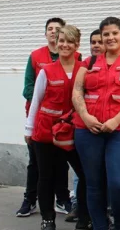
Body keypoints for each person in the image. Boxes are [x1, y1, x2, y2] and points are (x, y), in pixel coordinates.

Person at [72, 17, 120, 230]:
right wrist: (86, 117)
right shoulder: (88, 62)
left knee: (119, 183)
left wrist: (115, 120)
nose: (110, 38)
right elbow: (77, 91)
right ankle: (99, 226)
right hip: (88, 131)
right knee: (94, 184)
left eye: (115, 33)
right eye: (106, 34)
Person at [25, 25, 91, 230]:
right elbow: (35, 100)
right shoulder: (46, 70)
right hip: (46, 133)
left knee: (85, 174)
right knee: (46, 176)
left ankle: (83, 216)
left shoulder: (84, 69)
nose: (64, 45)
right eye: (61, 40)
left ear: (77, 45)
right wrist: (29, 129)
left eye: (69, 41)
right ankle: (48, 219)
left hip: (73, 132)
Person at [17, 17, 73, 218]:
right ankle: (30, 200)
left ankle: (63, 200)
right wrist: (45, 103)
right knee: (36, 164)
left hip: (66, 123)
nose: (53, 32)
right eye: (50, 29)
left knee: (61, 163)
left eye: (57, 29)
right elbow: (28, 88)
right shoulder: (36, 56)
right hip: (42, 119)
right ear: (47, 34)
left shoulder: (76, 58)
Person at [69, 28, 107, 222]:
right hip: (85, 127)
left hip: (109, 129)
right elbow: (77, 94)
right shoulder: (85, 65)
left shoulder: (116, 65)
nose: (97, 45)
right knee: (85, 176)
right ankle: (83, 216)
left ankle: (99, 215)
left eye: (100, 41)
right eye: (93, 42)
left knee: (104, 177)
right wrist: (86, 118)